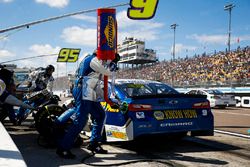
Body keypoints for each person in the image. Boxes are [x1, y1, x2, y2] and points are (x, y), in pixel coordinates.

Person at [55, 51, 119, 159]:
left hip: (88, 89)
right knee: (80, 120)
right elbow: (107, 72)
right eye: (107, 57)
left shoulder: (94, 60)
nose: (107, 60)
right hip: (84, 89)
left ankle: (94, 144)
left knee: (100, 115)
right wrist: (113, 63)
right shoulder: (93, 59)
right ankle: (63, 148)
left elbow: (100, 78)